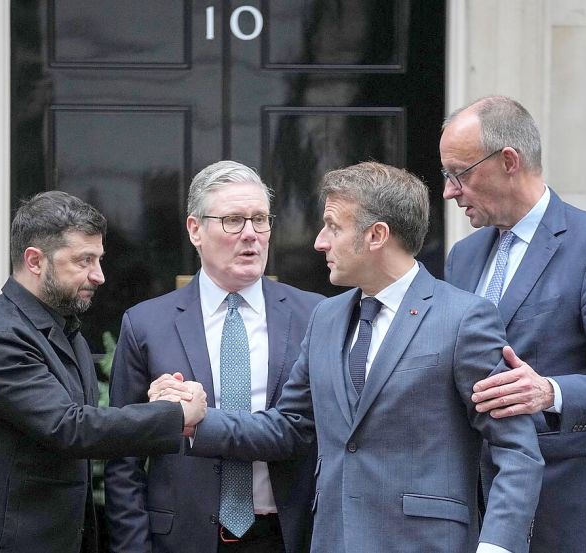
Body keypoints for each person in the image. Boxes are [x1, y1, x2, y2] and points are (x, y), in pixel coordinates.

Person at [166, 161, 543, 553]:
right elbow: (291, 426)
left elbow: (517, 451)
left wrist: (497, 546)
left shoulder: (463, 319)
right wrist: (198, 421)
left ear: (377, 235)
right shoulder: (326, 318)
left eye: (333, 226)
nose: (319, 242)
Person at [439, 95, 586, 552]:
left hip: (568, 510)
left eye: (458, 174)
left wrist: (551, 392)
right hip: (476, 511)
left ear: (508, 161)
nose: (449, 191)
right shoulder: (463, 257)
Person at [0, 191, 207, 553]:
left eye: (98, 260)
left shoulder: (64, 329)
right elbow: (70, 428)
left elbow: (84, 421)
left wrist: (154, 402)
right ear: (35, 261)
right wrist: (174, 415)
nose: (99, 275)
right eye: (84, 261)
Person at [104, 161, 324, 553]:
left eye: (260, 220)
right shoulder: (146, 324)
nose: (251, 235)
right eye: (233, 221)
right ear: (195, 230)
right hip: (182, 539)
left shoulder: (316, 316)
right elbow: (124, 459)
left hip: (290, 536)